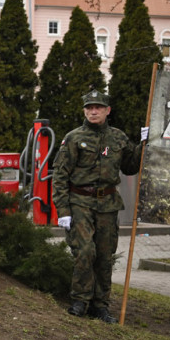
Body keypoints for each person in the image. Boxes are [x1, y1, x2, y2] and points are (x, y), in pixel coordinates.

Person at [51, 90, 144, 323]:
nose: (93, 111)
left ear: (107, 110)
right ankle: (80, 300)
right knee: (84, 251)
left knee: (104, 255)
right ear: (84, 110)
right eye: (89, 107)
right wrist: (63, 211)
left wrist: (144, 145)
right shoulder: (73, 138)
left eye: (98, 107)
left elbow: (131, 167)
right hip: (79, 202)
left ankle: (100, 306)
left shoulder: (118, 138)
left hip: (108, 204)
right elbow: (60, 176)